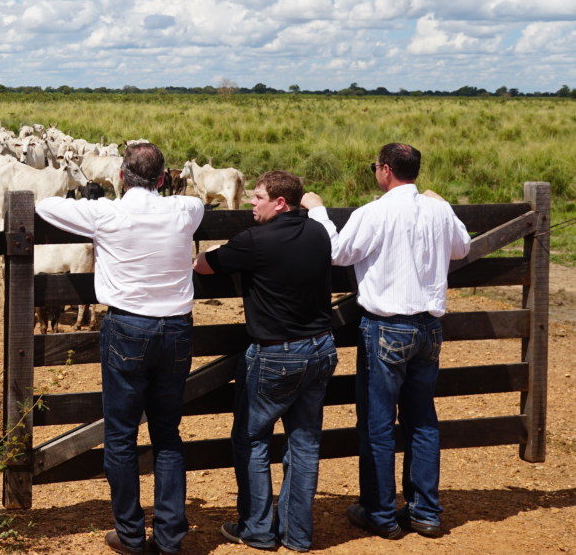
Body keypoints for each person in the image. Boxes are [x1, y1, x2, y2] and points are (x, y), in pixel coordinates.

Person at [36, 143, 203, 555]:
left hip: (129, 326)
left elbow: (46, 206)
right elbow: (197, 205)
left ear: (122, 176)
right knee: (167, 434)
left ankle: (130, 533)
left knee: (122, 434)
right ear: (164, 179)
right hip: (177, 328)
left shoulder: (105, 213)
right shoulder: (186, 210)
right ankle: (168, 536)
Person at [303, 143, 470, 540]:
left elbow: (338, 253)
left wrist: (318, 211)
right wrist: (443, 202)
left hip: (386, 328)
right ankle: (425, 512)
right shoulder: (438, 210)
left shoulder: (374, 212)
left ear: (385, 170)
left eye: (375, 166)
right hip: (429, 327)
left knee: (378, 425)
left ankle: (380, 514)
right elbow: (463, 247)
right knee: (422, 421)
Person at [195, 171, 336, 553]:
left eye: (258, 197)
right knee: (304, 443)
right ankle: (298, 534)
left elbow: (205, 264)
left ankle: (258, 529)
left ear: (281, 203)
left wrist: (203, 255)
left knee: (252, 438)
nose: (251, 202)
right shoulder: (318, 234)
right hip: (321, 347)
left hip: (276, 352)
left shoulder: (256, 241)